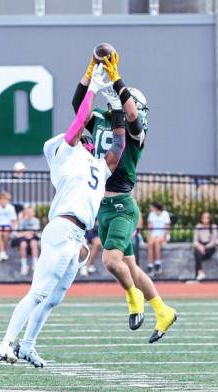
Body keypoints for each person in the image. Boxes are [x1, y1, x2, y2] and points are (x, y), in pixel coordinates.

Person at [0, 63, 122, 367]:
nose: (86, 138)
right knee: (38, 293)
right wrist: (93, 87)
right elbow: (79, 122)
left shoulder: (95, 164)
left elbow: (118, 148)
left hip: (78, 236)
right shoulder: (65, 154)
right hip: (63, 227)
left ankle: (27, 345)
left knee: (54, 299)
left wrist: (116, 108)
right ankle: (5, 343)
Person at [72, 50, 177, 342]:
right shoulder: (104, 118)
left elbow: (131, 114)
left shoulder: (136, 129)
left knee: (110, 261)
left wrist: (117, 79)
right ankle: (163, 310)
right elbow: (78, 105)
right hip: (103, 206)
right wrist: (90, 69)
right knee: (130, 266)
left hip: (121, 205)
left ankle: (134, 297)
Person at [0, 191, 18, 262]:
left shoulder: (11, 208)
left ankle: (2, 252)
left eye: (6, 199)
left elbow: (14, 220)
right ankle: (3, 252)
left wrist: (13, 227)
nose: (4, 201)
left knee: (5, 233)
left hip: (7, 225)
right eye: (2, 199)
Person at [146, 202, 171, 277]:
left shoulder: (165, 213)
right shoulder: (151, 214)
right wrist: (148, 237)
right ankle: (150, 265)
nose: (150, 208)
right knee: (150, 243)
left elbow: (167, 227)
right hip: (154, 235)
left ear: (155, 207)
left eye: (151, 207)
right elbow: (150, 227)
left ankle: (158, 263)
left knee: (157, 242)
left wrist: (165, 238)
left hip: (163, 234)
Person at [14, 206, 41, 275]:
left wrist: (27, 233)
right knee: (23, 245)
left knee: (34, 243)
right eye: (28, 212)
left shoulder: (36, 220)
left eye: (31, 212)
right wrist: (26, 233)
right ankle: (24, 265)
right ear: (25, 213)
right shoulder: (22, 221)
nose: (29, 213)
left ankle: (35, 265)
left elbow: (34, 231)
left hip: (33, 238)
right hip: (23, 238)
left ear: (34, 213)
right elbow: (18, 233)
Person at [192, 211, 218, 281]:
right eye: (203, 217)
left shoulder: (213, 227)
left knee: (198, 253)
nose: (205, 219)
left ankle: (198, 274)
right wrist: (199, 246)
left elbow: (213, 242)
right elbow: (195, 241)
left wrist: (205, 247)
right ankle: (200, 272)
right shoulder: (198, 226)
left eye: (207, 218)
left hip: (209, 247)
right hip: (200, 246)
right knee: (197, 251)